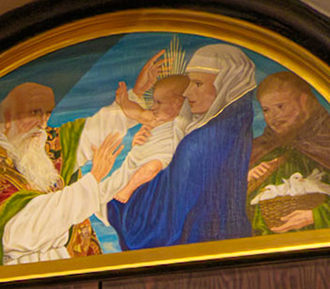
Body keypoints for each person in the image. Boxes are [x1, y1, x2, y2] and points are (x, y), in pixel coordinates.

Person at [0, 80, 147, 270]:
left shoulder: (42, 145)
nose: (42, 123)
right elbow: (31, 228)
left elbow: (88, 134)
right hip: (21, 275)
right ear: (8, 117)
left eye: (47, 114)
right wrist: (92, 179)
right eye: (34, 113)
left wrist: (129, 102)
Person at [106, 42, 258, 250]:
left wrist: (122, 205)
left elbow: (169, 218)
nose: (186, 92)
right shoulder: (236, 127)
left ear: (226, 84)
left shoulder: (198, 145)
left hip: (197, 246)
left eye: (197, 84)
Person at [247, 70, 330, 235]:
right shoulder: (262, 148)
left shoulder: (325, 138)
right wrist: (248, 180)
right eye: (266, 110)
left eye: (280, 106)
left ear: (304, 101)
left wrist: (315, 215)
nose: (273, 117)